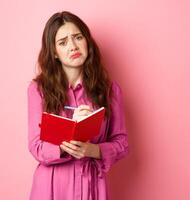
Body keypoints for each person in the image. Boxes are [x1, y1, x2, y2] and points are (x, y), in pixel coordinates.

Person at [27, 11, 129, 200]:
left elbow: (122, 144)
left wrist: (93, 150)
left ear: (87, 42)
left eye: (78, 37)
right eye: (63, 42)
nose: (73, 46)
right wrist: (69, 138)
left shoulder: (110, 90)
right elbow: (36, 146)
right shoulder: (38, 89)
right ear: (54, 52)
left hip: (92, 185)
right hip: (51, 187)